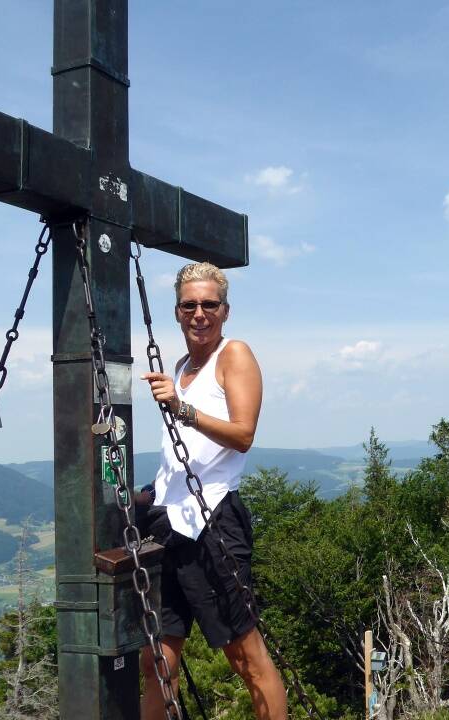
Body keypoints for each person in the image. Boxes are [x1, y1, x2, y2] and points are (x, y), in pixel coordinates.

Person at [138, 261, 287, 720]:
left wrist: (183, 409)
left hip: (215, 518)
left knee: (246, 659)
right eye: (190, 305)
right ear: (177, 312)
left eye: (209, 304)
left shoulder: (234, 355)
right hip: (169, 520)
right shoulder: (181, 365)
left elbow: (243, 434)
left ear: (225, 311)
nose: (199, 313)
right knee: (156, 660)